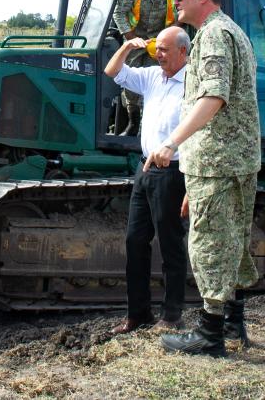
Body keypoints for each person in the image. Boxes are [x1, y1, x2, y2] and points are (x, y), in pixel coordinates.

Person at [144, 0, 261, 357]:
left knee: (210, 243)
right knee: (234, 240)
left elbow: (213, 97)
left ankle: (210, 335)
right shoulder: (232, 32)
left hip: (217, 159)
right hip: (234, 159)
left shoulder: (211, 36)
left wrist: (171, 143)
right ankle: (233, 323)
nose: (175, 2)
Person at [105, 26, 192, 335]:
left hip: (173, 172)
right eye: (158, 49)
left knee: (170, 245)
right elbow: (112, 70)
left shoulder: (193, 84)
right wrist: (128, 46)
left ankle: (171, 316)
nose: (159, 54)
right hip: (145, 170)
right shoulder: (153, 76)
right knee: (134, 241)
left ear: (183, 52)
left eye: (165, 49)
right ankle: (138, 314)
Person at [111, 0, 179, 135]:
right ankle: (133, 123)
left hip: (161, 40)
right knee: (130, 80)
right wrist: (132, 39)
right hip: (135, 36)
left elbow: (182, 16)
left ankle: (148, 128)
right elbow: (119, 13)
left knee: (157, 80)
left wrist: (166, 40)